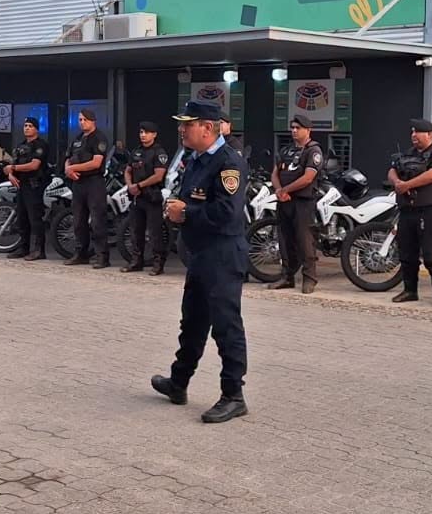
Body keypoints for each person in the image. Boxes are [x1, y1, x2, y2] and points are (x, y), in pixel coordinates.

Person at [150, 101, 249, 424]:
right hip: (200, 254)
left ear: (207, 127)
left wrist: (186, 213)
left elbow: (227, 213)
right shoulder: (195, 159)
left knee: (225, 326)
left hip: (222, 254)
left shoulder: (228, 163)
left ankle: (233, 395)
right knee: (192, 322)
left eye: (187, 124)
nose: (181, 129)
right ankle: (179, 382)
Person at [388, 119, 432, 307]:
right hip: (407, 210)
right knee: (407, 254)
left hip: (429, 211)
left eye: (418, 132)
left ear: (429, 134)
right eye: (412, 132)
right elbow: (392, 170)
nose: (414, 135)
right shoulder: (407, 154)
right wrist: (397, 183)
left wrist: (408, 185)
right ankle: (410, 291)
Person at [271, 114, 323, 293]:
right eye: (292, 127)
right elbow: (275, 173)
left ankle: (309, 278)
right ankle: (287, 277)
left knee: (305, 240)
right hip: (284, 202)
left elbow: (308, 177)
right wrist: (279, 190)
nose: (294, 131)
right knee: (285, 240)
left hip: (303, 202)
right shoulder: (286, 151)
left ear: (308, 130)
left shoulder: (313, 151)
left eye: (298, 128)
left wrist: (286, 190)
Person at [63, 108, 110, 268]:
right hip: (78, 183)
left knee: (97, 221)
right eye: (80, 120)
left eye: (85, 120)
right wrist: (68, 169)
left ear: (93, 121)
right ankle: (81, 253)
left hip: (94, 183)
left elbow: (96, 163)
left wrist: (73, 168)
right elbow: (68, 158)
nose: (82, 122)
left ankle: (102, 256)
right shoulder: (77, 139)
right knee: (78, 221)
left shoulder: (99, 138)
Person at [123, 121, 170, 274]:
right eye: (141, 132)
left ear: (154, 134)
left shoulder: (159, 152)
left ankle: (158, 264)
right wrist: (130, 185)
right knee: (136, 231)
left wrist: (139, 186)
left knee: (155, 232)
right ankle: (136, 261)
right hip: (137, 197)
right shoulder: (136, 151)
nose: (143, 135)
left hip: (152, 196)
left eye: (147, 132)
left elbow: (158, 175)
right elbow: (128, 170)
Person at [6, 116, 50, 259]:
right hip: (21, 185)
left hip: (34, 185)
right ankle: (23, 248)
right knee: (22, 218)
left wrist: (13, 168)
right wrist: (11, 175)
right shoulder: (21, 145)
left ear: (36, 129)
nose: (27, 128)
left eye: (30, 126)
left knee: (35, 218)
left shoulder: (40, 145)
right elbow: (13, 162)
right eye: (25, 126)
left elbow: (34, 165)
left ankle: (39, 250)